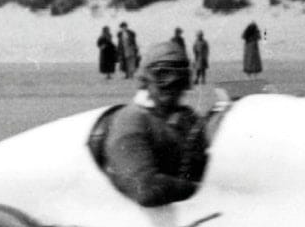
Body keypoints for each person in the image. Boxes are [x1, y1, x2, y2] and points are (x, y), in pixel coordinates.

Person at [97, 38, 229, 207]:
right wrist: (206, 192)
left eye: (179, 78)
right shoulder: (131, 121)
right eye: (163, 76)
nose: (172, 85)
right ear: (146, 80)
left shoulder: (186, 119)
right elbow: (145, 188)